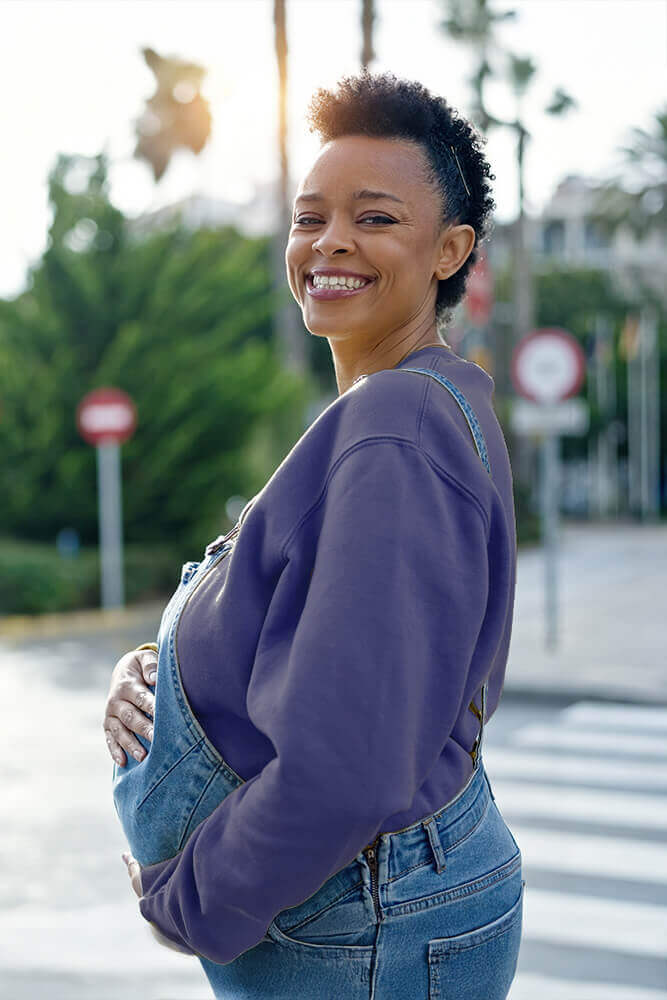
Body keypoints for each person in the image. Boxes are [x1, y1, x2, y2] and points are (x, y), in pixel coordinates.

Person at [103, 68, 524, 999]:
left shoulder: (397, 426)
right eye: (308, 218)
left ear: (449, 249)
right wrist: (155, 672)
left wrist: (194, 904)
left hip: (355, 925)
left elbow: (350, 762)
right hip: (380, 907)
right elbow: (315, 627)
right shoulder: (415, 404)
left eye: (374, 218)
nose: (329, 241)